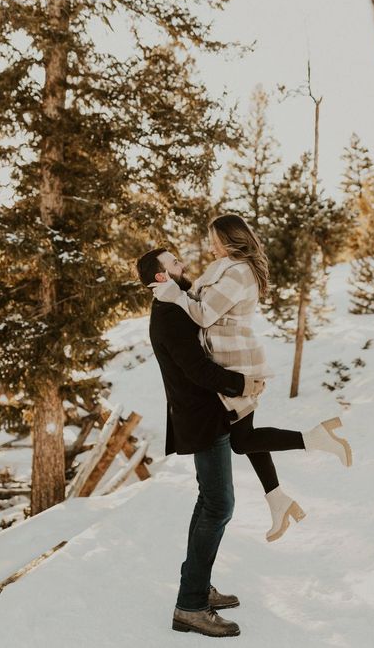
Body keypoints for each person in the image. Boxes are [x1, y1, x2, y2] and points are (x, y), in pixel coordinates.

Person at [149, 214, 353, 544]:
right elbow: (200, 301)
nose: (210, 245)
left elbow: (202, 313)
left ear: (231, 238)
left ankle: (315, 439)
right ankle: (278, 500)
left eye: (214, 239)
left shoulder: (239, 272)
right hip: (228, 358)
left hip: (236, 360)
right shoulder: (223, 268)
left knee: (243, 440)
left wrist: (173, 294)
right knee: (244, 435)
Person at [137, 248, 265, 638]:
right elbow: (197, 369)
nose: (182, 265)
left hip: (203, 415)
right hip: (201, 418)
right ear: (161, 277)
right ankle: (190, 606)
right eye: (174, 263)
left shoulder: (175, 305)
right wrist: (241, 383)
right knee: (220, 505)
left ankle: (196, 584)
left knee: (208, 501)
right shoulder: (170, 313)